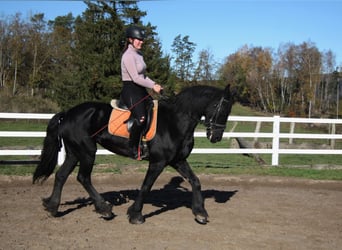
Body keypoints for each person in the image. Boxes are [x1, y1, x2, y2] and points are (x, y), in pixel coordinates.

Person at [120, 25, 162, 160]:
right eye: (139, 40)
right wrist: (152, 86)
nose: (141, 42)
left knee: (154, 110)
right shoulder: (128, 56)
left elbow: (143, 76)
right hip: (131, 90)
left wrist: (155, 84)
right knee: (141, 118)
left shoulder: (139, 54)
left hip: (140, 89)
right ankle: (132, 148)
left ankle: (149, 143)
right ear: (131, 40)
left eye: (142, 40)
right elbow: (135, 78)